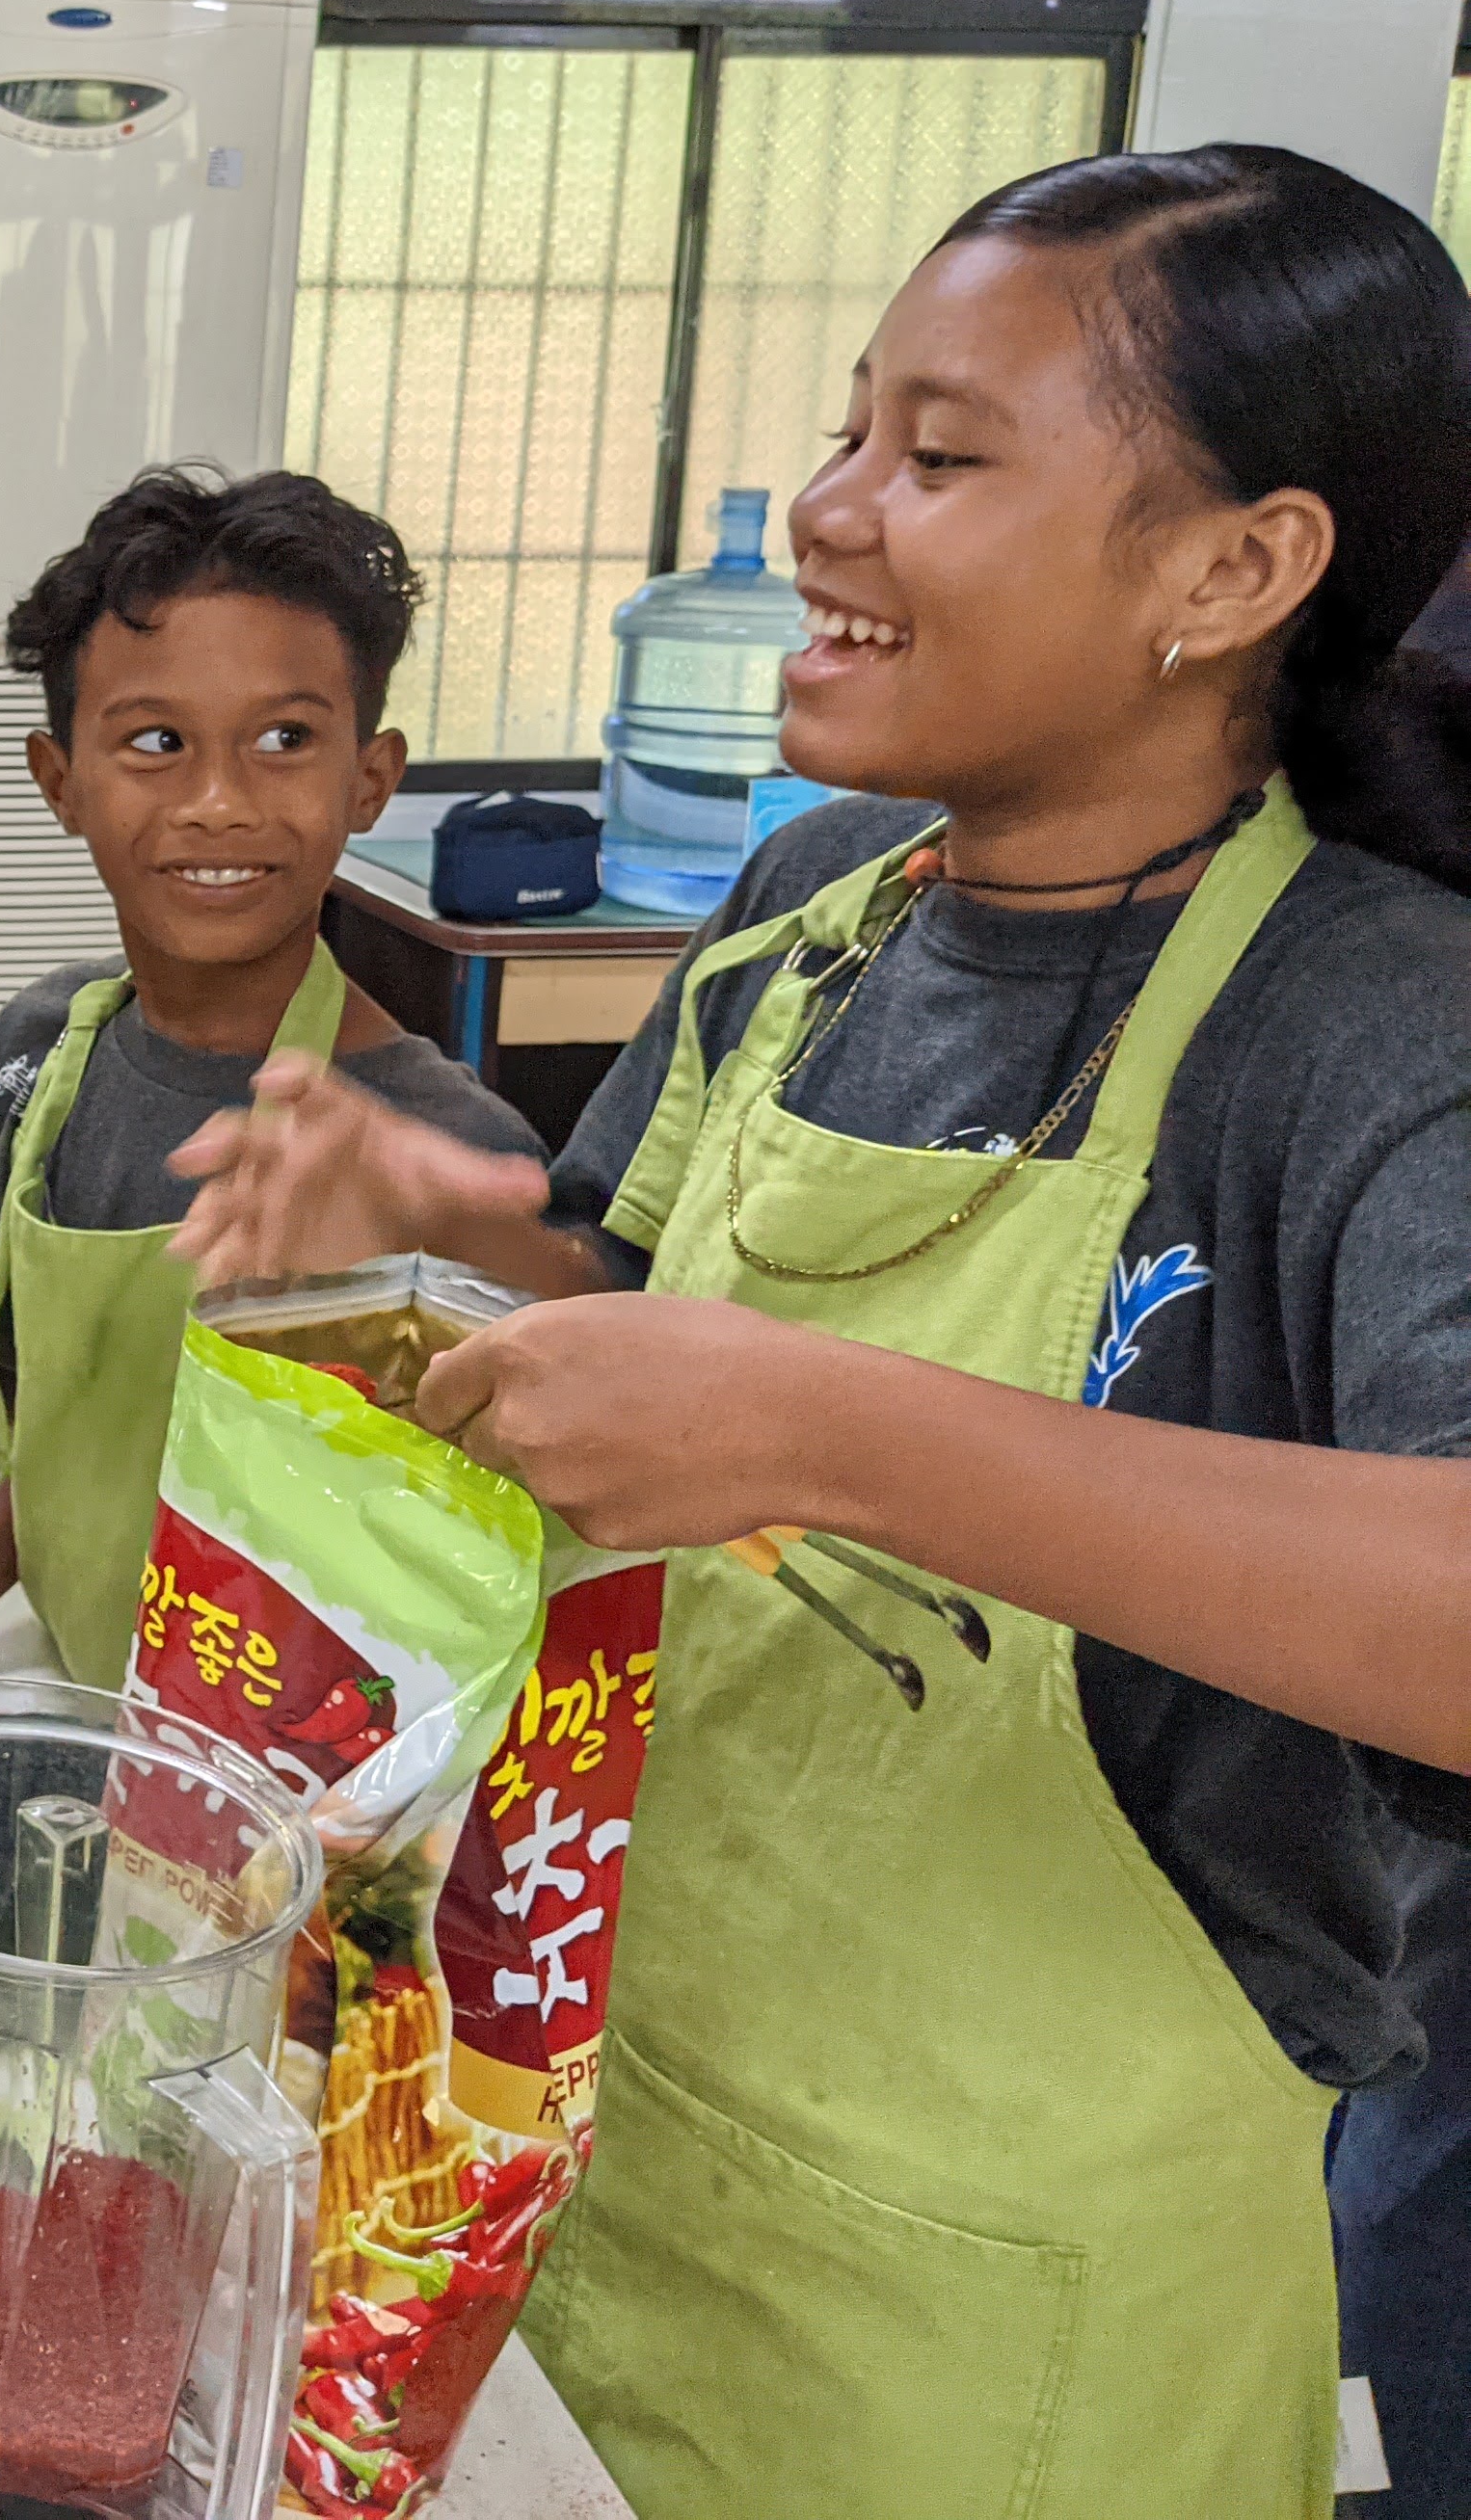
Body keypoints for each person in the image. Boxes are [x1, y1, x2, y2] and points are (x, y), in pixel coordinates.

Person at [164, 146, 1471, 2520]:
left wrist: (829, 1433)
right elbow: (649, 1357)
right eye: (853, 430)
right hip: (618, 2129)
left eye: (943, 458)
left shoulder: (1377, 1027)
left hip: (1017, 2318)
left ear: (1235, 567)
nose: (827, 515)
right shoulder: (811, 911)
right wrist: (452, 1250)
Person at [0, 468, 540, 1741]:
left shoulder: (446, 1161)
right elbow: (68, 1444)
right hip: (73, 1709)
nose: (218, 800)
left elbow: (489, 1600)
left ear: (371, 778)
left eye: (284, 740)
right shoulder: (35, 1061)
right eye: (156, 743)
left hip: (306, 1796)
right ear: (61, 780)